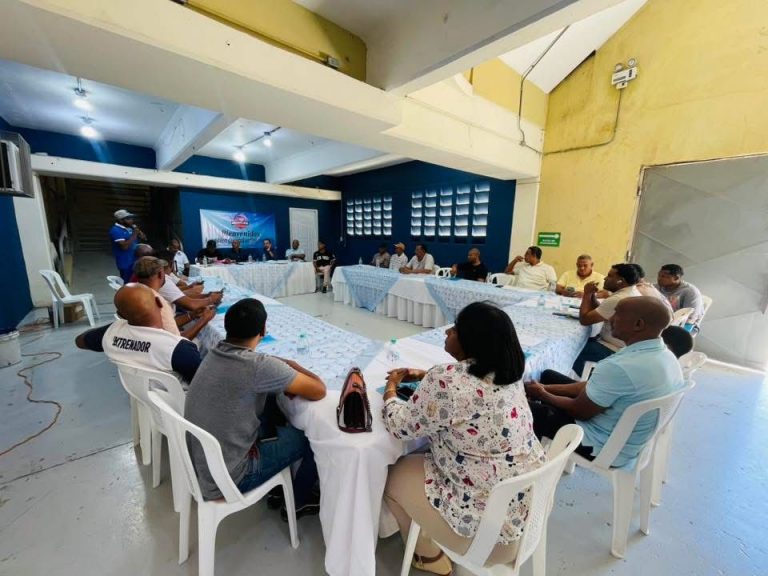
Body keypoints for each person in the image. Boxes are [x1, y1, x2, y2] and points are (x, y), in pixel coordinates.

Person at [382, 302, 545, 575]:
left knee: (390, 473)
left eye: (456, 329)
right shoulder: (510, 370)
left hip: (487, 537)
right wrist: (427, 376)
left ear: (472, 341)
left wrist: (390, 389)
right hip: (526, 513)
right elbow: (471, 389)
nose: (447, 331)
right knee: (420, 459)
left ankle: (427, 555)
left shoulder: (447, 380)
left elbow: (399, 426)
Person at [184, 298, 326, 517]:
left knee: (270, 403)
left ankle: (279, 486)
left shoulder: (216, 350)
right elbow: (318, 390)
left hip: (203, 465)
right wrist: (294, 366)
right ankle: (299, 501)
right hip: (231, 476)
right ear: (264, 329)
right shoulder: (258, 367)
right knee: (311, 435)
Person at [525, 297, 683, 467]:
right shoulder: (663, 354)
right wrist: (546, 388)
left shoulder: (621, 367)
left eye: (618, 314)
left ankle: (528, 466)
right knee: (548, 375)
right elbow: (594, 387)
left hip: (604, 445)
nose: (610, 318)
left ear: (638, 324)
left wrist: (543, 394)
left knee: (527, 410)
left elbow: (579, 411)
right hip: (627, 435)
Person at [75, 283, 201, 385]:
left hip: (142, 398)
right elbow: (204, 384)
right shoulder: (177, 348)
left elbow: (79, 341)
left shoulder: (111, 333)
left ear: (121, 315)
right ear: (159, 303)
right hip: (179, 404)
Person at [572, 263, 642, 375]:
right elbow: (602, 310)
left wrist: (586, 294)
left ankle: (584, 382)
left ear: (620, 281)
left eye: (609, 276)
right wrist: (592, 296)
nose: (605, 278)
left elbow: (584, 320)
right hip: (624, 348)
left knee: (571, 347)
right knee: (583, 339)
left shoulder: (619, 298)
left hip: (612, 349)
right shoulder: (630, 292)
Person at [134, 256, 215, 341]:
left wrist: (191, 315)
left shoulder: (137, 294)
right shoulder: (158, 303)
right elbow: (178, 342)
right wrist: (204, 320)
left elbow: (167, 324)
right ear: (161, 274)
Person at [109, 209, 146, 284]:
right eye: (128, 219)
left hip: (135, 260)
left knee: (136, 281)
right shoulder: (115, 230)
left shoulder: (130, 228)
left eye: (131, 218)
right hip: (125, 263)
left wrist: (140, 233)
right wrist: (134, 234)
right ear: (121, 220)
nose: (132, 220)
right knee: (127, 283)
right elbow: (124, 247)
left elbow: (144, 238)